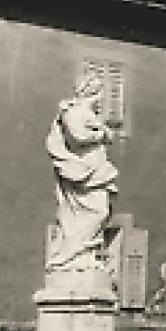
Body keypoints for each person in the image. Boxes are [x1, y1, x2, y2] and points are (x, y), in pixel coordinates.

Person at [44, 73, 120, 277]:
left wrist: (102, 132)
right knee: (98, 212)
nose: (101, 98)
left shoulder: (88, 114)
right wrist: (102, 134)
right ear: (90, 92)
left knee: (102, 213)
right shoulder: (74, 112)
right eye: (99, 93)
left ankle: (85, 256)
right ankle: (67, 256)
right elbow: (77, 136)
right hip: (83, 173)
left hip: (95, 170)